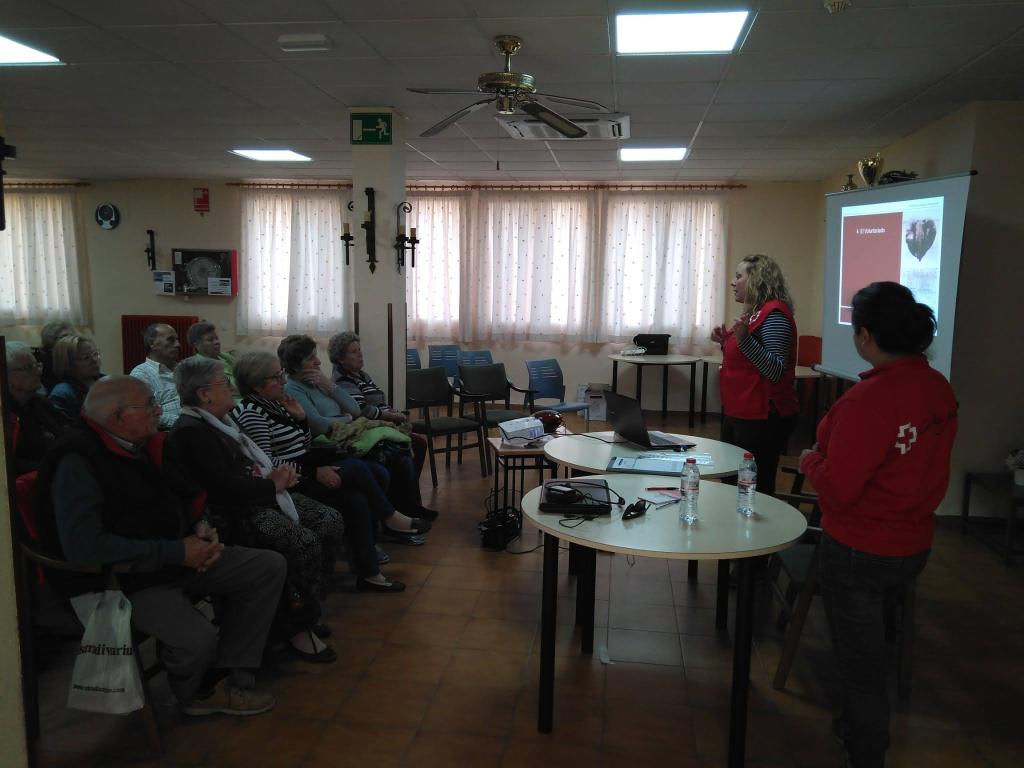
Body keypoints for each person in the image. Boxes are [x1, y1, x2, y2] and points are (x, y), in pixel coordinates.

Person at [34, 375, 285, 716]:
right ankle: (195, 693)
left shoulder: (143, 444)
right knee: (197, 638)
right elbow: (85, 548)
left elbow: (184, 496)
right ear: (118, 416)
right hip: (122, 579)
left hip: (170, 557)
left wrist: (201, 529)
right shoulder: (76, 460)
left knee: (266, 567)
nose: (158, 410)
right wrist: (178, 552)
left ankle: (230, 671)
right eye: (149, 404)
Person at [799, 282, 958, 768]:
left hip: (860, 547)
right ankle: (855, 727)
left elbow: (840, 487)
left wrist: (810, 460)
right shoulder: (937, 388)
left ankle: (865, 750)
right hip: (913, 544)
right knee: (871, 647)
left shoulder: (871, 399)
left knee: (861, 666)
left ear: (866, 336)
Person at [166, 356, 343, 662]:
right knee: (303, 542)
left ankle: (308, 609)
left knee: (330, 520)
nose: (231, 387)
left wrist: (275, 479)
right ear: (205, 394)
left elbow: (251, 465)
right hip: (231, 514)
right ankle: (295, 626)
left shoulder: (222, 421)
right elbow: (223, 490)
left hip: (259, 494)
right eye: (224, 383)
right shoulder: (191, 432)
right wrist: (272, 485)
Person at [230, 351, 407, 591]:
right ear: (256, 384)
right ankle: (388, 521)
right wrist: (313, 472)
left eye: (281, 374)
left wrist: (301, 419)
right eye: (276, 377)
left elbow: (302, 445)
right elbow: (266, 462)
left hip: (304, 467)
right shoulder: (252, 412)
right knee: (357, 472)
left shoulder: (277, 403)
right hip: (291, 481)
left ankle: (370, 570)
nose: (283, 381)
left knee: (370, 481)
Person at [279, 334, 431, 541]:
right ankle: (394, 519)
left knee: (404, 452)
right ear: (296, 365)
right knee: (395, 460)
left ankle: (400, 514)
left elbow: (353, 409)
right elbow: (319, 425)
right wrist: (346, 419)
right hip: (330, 446)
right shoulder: (293, 389)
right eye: (311, 358)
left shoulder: (319, 383)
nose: (318, 362)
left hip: (350, 436)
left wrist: (329, 385)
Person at [711, 253, 799, 496]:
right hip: (741, 411)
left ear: (758, 280)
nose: (733, 282)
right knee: (731, 479)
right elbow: (747, 360)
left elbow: (775, 370)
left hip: (763, 417)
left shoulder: (775, 315)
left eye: (739, 276)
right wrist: (725, 342)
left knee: (753, 488)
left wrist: (743, 340)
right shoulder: (756, 312)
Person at [328, 331, 430, 490]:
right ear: (341, 359)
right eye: (354, 352)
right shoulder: (342, 379)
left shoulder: (362, 375)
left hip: (381, 424)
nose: (360, 354)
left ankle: (408, 498)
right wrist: (393, 416)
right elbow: (361, 410)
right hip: (365, 430)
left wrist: (394, 412)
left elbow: (379, 402)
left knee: (419, 444)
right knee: (407, 454)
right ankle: (405, 500)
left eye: (359, 350)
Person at [6, 341, 71, 475]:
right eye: (28, 367)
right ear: (5, 376)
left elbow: (67, 431)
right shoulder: (5, 413)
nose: (37, 372)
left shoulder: (40, 402)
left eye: (37, 365)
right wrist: (51, 468)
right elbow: (9, 463)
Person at [130, 323, 182, 429]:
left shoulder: (184, 368)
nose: (178, 344)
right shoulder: (141, 374)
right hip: (173, 431)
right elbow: (146, 414)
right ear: (152, 343)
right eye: (171, 340)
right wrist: (183, 422)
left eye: (177, 340)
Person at [48, 335, 103, 420]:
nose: (94, 360)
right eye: (86, 357)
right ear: (68, 364)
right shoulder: (62, 394)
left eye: (95, 354)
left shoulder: (109, 383)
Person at [187, 321, 239, 402]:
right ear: (196, 345)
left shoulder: (223, 356)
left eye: (216, 338)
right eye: (210, 340)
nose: (217, 342)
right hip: (232, 402)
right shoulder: (198, 367)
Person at [37, 320, 74, 393]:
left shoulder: (72, 354)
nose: (70, 340)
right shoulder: (44, 359)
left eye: (72, 337)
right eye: (64, 337)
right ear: (51, 339)